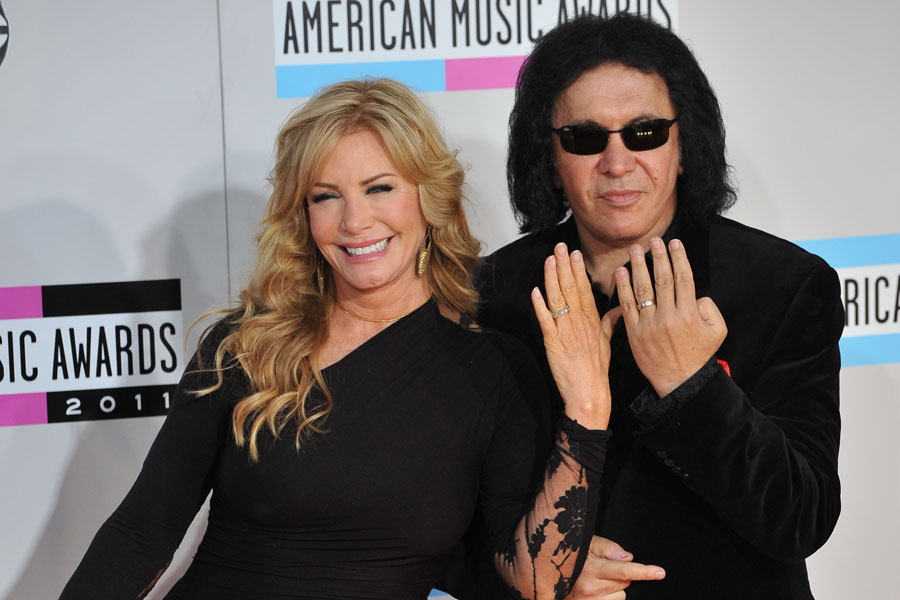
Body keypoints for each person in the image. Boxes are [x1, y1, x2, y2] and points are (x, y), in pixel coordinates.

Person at [59, 78, 615, 599]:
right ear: (303, 214)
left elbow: (538, 579)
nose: (354, 221)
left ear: (428, 197)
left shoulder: (493, 372)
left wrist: (588, 406)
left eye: (379, 188)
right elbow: (142, 531)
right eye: (326, 196)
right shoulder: (245, 347)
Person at [465, 13, 843, 600]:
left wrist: (690, 386)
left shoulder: (784, 286)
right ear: (551, 156)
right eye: (586, 139)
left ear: (684, 143)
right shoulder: (491, 297)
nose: (617, 164)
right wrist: (542, 565)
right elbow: (444, 523)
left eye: (644, 134)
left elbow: (800, 518)